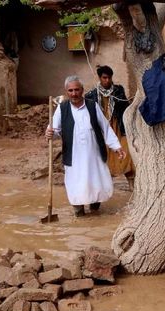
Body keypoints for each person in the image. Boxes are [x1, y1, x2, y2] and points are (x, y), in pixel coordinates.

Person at [46, 76, 125, 217]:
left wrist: (116, 146)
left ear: (82, 90)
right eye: (70, 90)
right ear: (66, 92)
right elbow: (54, 130)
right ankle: (79, 212)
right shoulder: (62, 109)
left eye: (77, 90)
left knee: (96, 183)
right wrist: (50, 133)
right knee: (76, 183)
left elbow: (105, 128)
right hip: (74, 156)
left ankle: (95, 209)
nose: (74, 93)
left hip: (93, 155)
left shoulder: (92, 105)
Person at [84, 65, 135, 190]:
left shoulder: (118, 91)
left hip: (118, 126)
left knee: (126, 152)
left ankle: (131, 184)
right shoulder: (91, 94)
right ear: (100, 78)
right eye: (104, 78)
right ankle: (104, 187)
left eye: (109, 78)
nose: (107, 80)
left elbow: (125, 108)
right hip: (101, 129)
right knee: (104, 156)